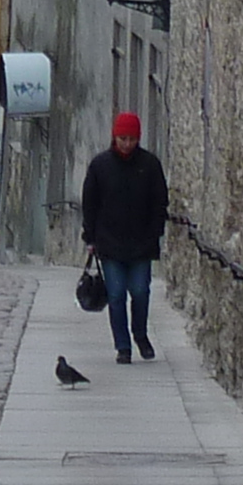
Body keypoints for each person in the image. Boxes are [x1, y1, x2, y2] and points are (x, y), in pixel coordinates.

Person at [80, 109, 170, 365]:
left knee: (141, 291)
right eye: (123, 139)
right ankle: (123, 345)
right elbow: (90, 203)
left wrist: (155, 232)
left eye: (131, 139)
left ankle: (140, 334)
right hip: (109, 243)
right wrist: (91, 237)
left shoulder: (150, 165)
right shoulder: (100, 166)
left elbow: (159, 202)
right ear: (115, 137)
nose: (127, 144)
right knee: (117, 294)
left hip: (141, 243)